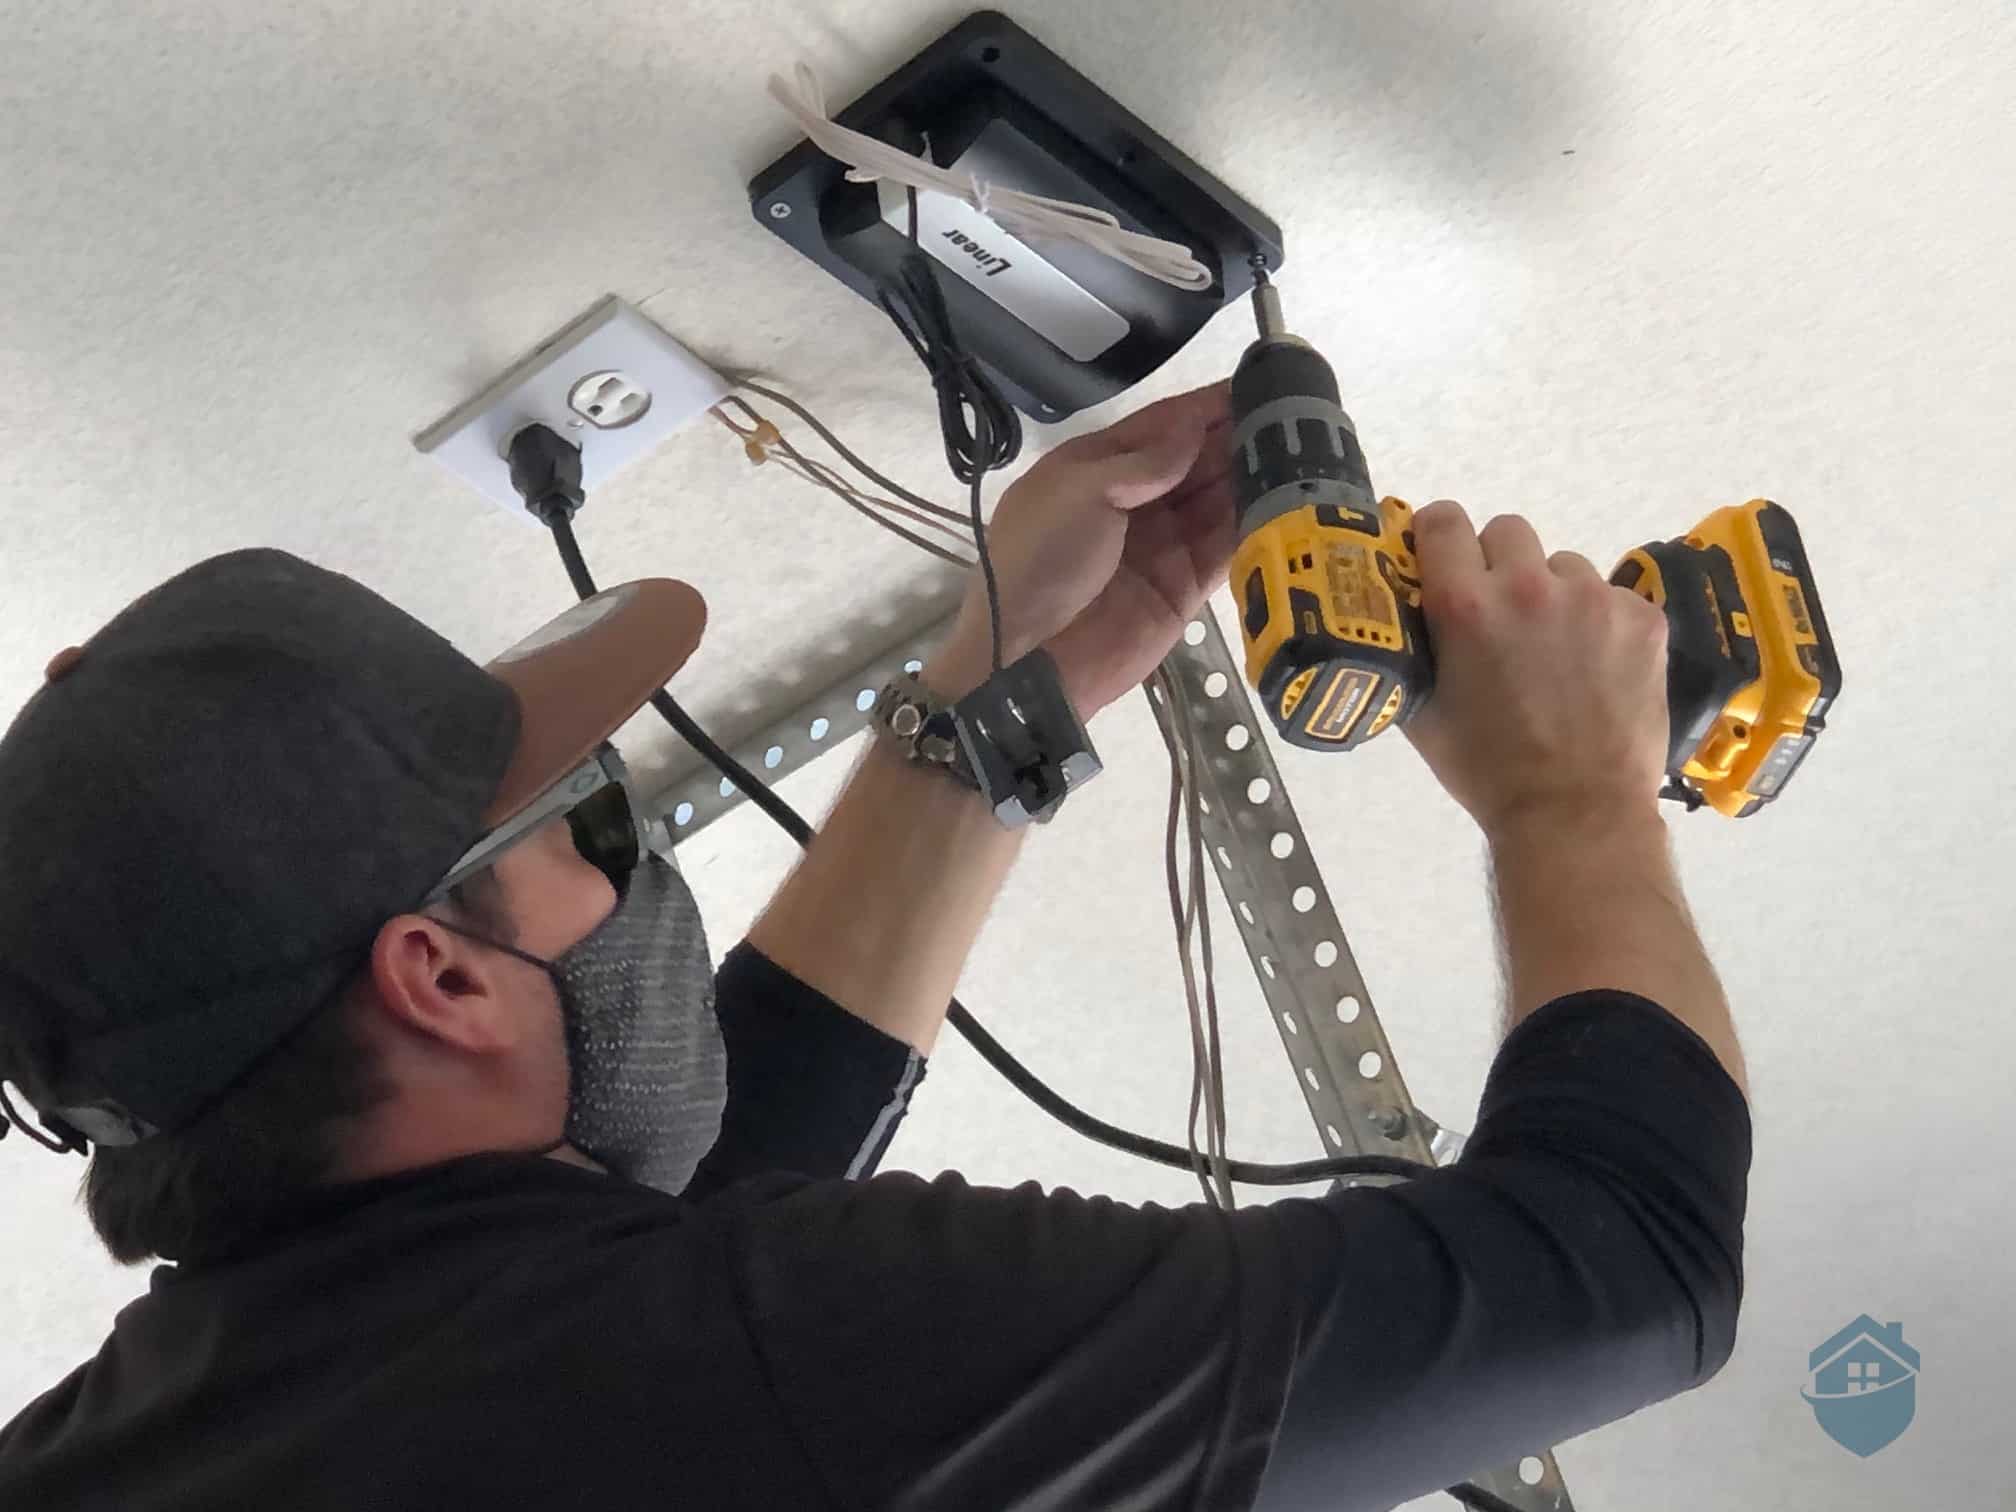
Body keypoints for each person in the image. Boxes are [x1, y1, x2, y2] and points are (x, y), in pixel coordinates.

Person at [0, 383, 1748, 1511]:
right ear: (438, 978)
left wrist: (1012, 688)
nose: (634, 872)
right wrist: (1574, 797)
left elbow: (659, 1265)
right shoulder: (769, 1361)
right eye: (595, 827)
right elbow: (1623, 1278)